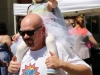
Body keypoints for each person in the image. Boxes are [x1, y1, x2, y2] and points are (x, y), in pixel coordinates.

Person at [8, 14, 92, 75]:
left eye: (30, 32)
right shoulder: (22, 53)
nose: (26, 36)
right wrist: (11, 70)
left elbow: (88, 72)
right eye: (22, 33)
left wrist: (62, 64)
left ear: (43, 30)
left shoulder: (57, 48)